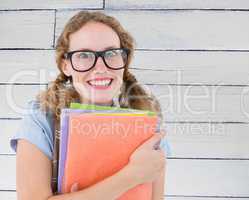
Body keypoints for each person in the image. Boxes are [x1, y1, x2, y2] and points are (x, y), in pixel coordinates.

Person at [10, 11, 171, 200]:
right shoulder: (41, 117)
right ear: (66, 65)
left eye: (111, 53)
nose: (101, 68)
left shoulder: (147, 119)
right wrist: (132, 176)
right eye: (84, 55)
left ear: (124, 61)